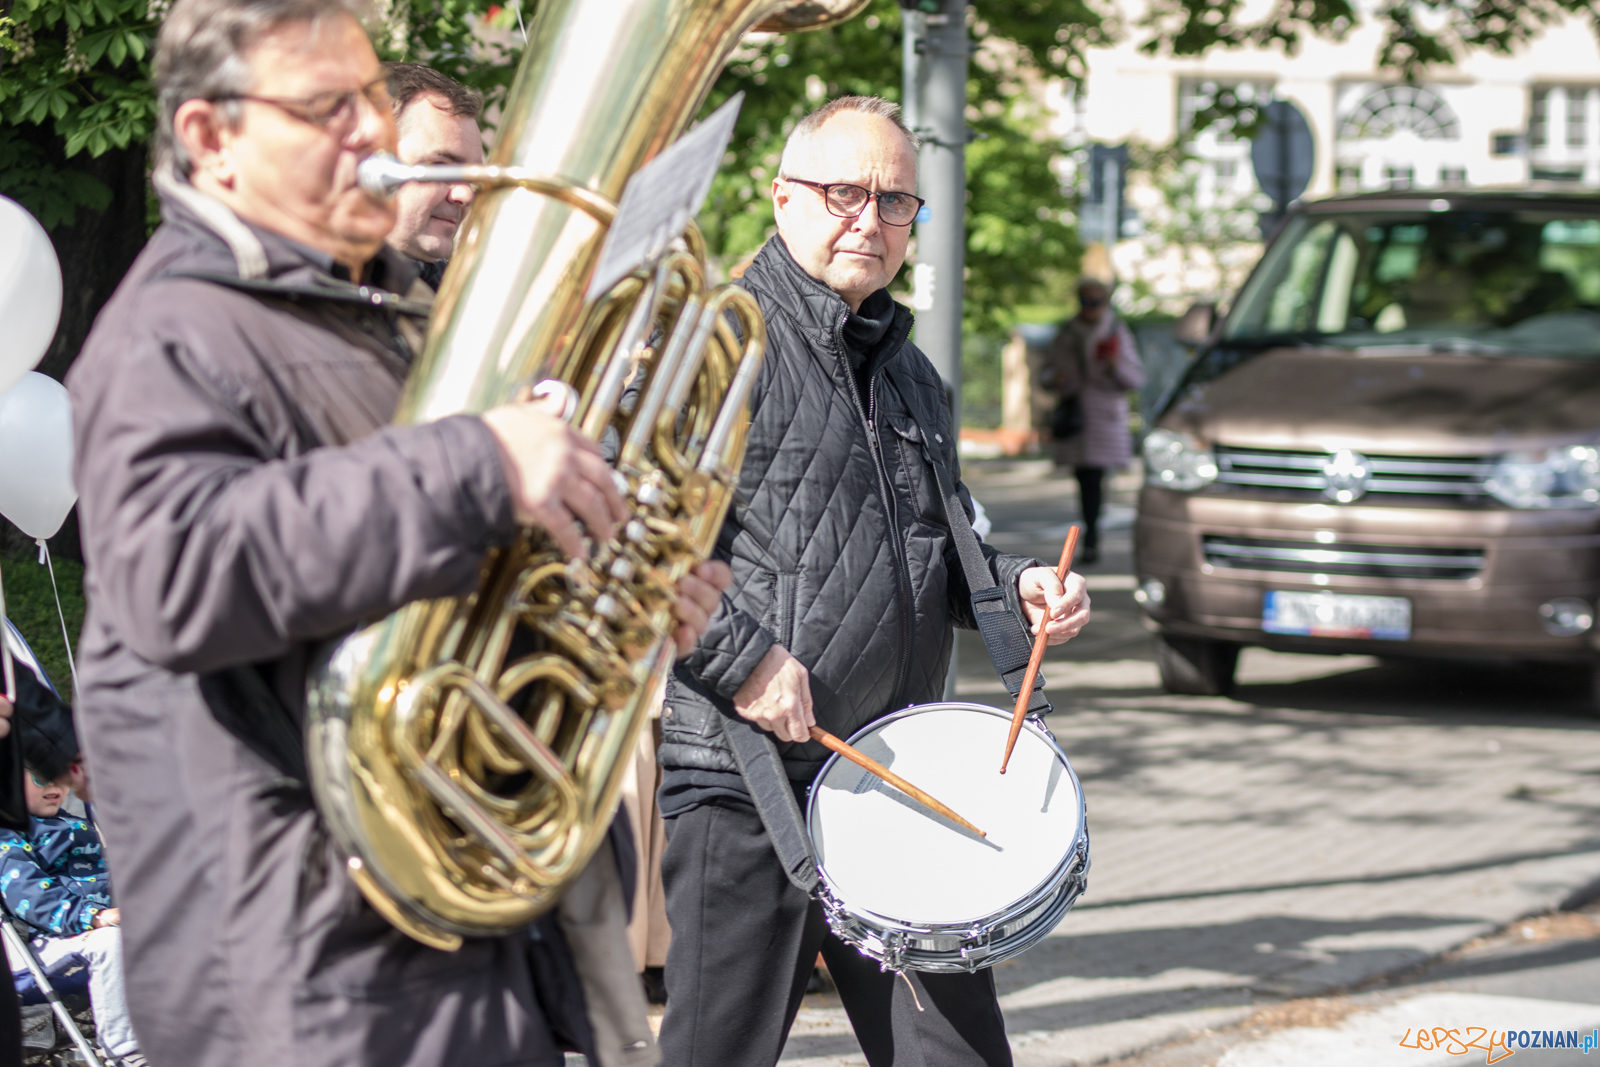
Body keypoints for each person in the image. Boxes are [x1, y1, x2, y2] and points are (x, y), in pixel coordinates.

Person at [63, 0, 727, 1064]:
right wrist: (476, 462)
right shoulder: (169, 333)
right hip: (301, 976)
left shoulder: (377, 316)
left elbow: (430, 582)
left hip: (451, 936)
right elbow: (177, 572)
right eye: (325, 107)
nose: (370, 130)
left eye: (371, 98)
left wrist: (618, 594)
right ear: (210, 137)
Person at [654, 96, 1092, 1067]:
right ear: (781, 197)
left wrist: (1018, 584)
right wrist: (742, 661)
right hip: (744, 777)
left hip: (894, 780)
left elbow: (942, 539)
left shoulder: (912, 374)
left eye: (895, 201)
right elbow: (631, 546)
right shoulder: (712, 345)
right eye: (843, 192)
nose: (870, 219)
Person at [0, 701, 143, 1067]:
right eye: (39, 775)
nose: (54, 784)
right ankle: (125, 1052)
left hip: (88, 928)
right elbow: (27, 894)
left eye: (58, 774)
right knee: (111, 942)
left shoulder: (76, 826)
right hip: (39, 941)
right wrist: (94, 917)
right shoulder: (8, 835)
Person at [1043, 278, 1146, 565]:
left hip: (1105, 417)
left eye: (1096, 301)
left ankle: (1092, 537)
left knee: (1095, 479)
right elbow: (1045, 374)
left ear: (1105, 302)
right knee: (1085, 479)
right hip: (1076, 415)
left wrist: (1115, 366)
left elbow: (1136, 378)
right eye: (1085, 301)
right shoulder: (1065, 332)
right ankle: (1090, 535)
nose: (1090, 307)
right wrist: (1056, 378)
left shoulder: (1116, 331)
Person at [383, 61, 482, 287]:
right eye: (440, 166)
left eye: (472, 178)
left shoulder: (467, 294)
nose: (465, 195)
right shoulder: (305, 290)